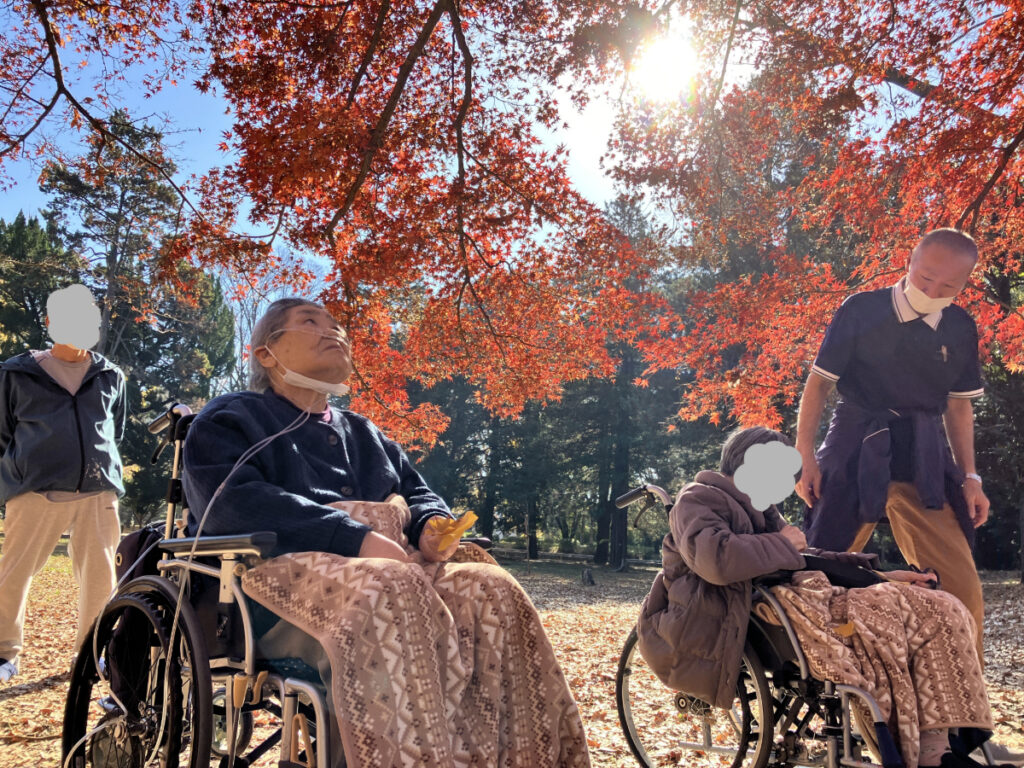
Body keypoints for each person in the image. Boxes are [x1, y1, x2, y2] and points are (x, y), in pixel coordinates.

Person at [182, 297, 590, 768]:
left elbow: (418, 493)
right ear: (265, 353)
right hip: (264, 588)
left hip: (397, 569)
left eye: (337, 325)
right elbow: (230, 503)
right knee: (388, 588)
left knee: (490, 589)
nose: (333, 331)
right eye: (310, 321)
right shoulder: (231, 418)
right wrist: (352, 537)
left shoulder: (366, 433)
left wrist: (431, 525)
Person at [637, 426, 996, 768]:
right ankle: (911, 747)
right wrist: (782, 543)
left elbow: (808, 557)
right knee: (883, 615)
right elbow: (715, 559)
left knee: (940, 606)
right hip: (754, 611)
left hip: (802, 597)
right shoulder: (698, 498)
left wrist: (881, 575)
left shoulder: (763, 510)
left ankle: (939, 747)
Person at [794, 228, 988, 661]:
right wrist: (805, 454)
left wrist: (971, 477)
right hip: (855, 440)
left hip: (924, 450)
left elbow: (959, 407)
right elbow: (819, 384)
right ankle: (816, 674)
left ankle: (964, 698)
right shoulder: (861, 309)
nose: (932, 292)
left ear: (964, 285)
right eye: (926, 278)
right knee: (820, 572)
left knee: (962, 585)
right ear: (909, 263)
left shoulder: (960, 327)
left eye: (948, 286)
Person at [0, 284, 126, 683]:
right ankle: (3, 654)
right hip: (34, 490)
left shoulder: (111, 375)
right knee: (14, 573)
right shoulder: (15, 373)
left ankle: (90, 655)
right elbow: (3, 434)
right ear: (50, 322)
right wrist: (21, 472)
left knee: (100, 579)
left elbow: (113, 431)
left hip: (98, 491)